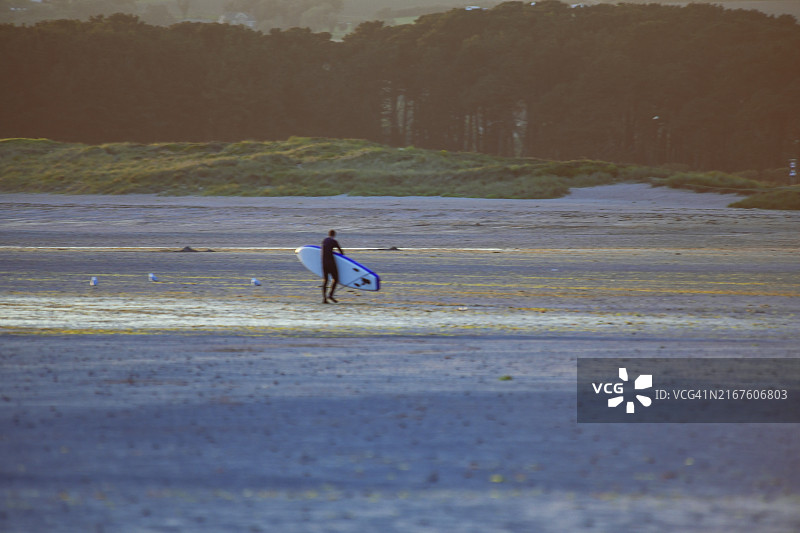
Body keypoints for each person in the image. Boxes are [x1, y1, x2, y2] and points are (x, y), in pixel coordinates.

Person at [321, 229, 344, 303]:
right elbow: (341, 252)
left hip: (324, 263)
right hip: (331, 263)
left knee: (325, 280)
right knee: (335, 279)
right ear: (334, 235)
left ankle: (324, 299)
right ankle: (330, 295)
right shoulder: (334, 241)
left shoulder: (324, 241)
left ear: (329, 234)